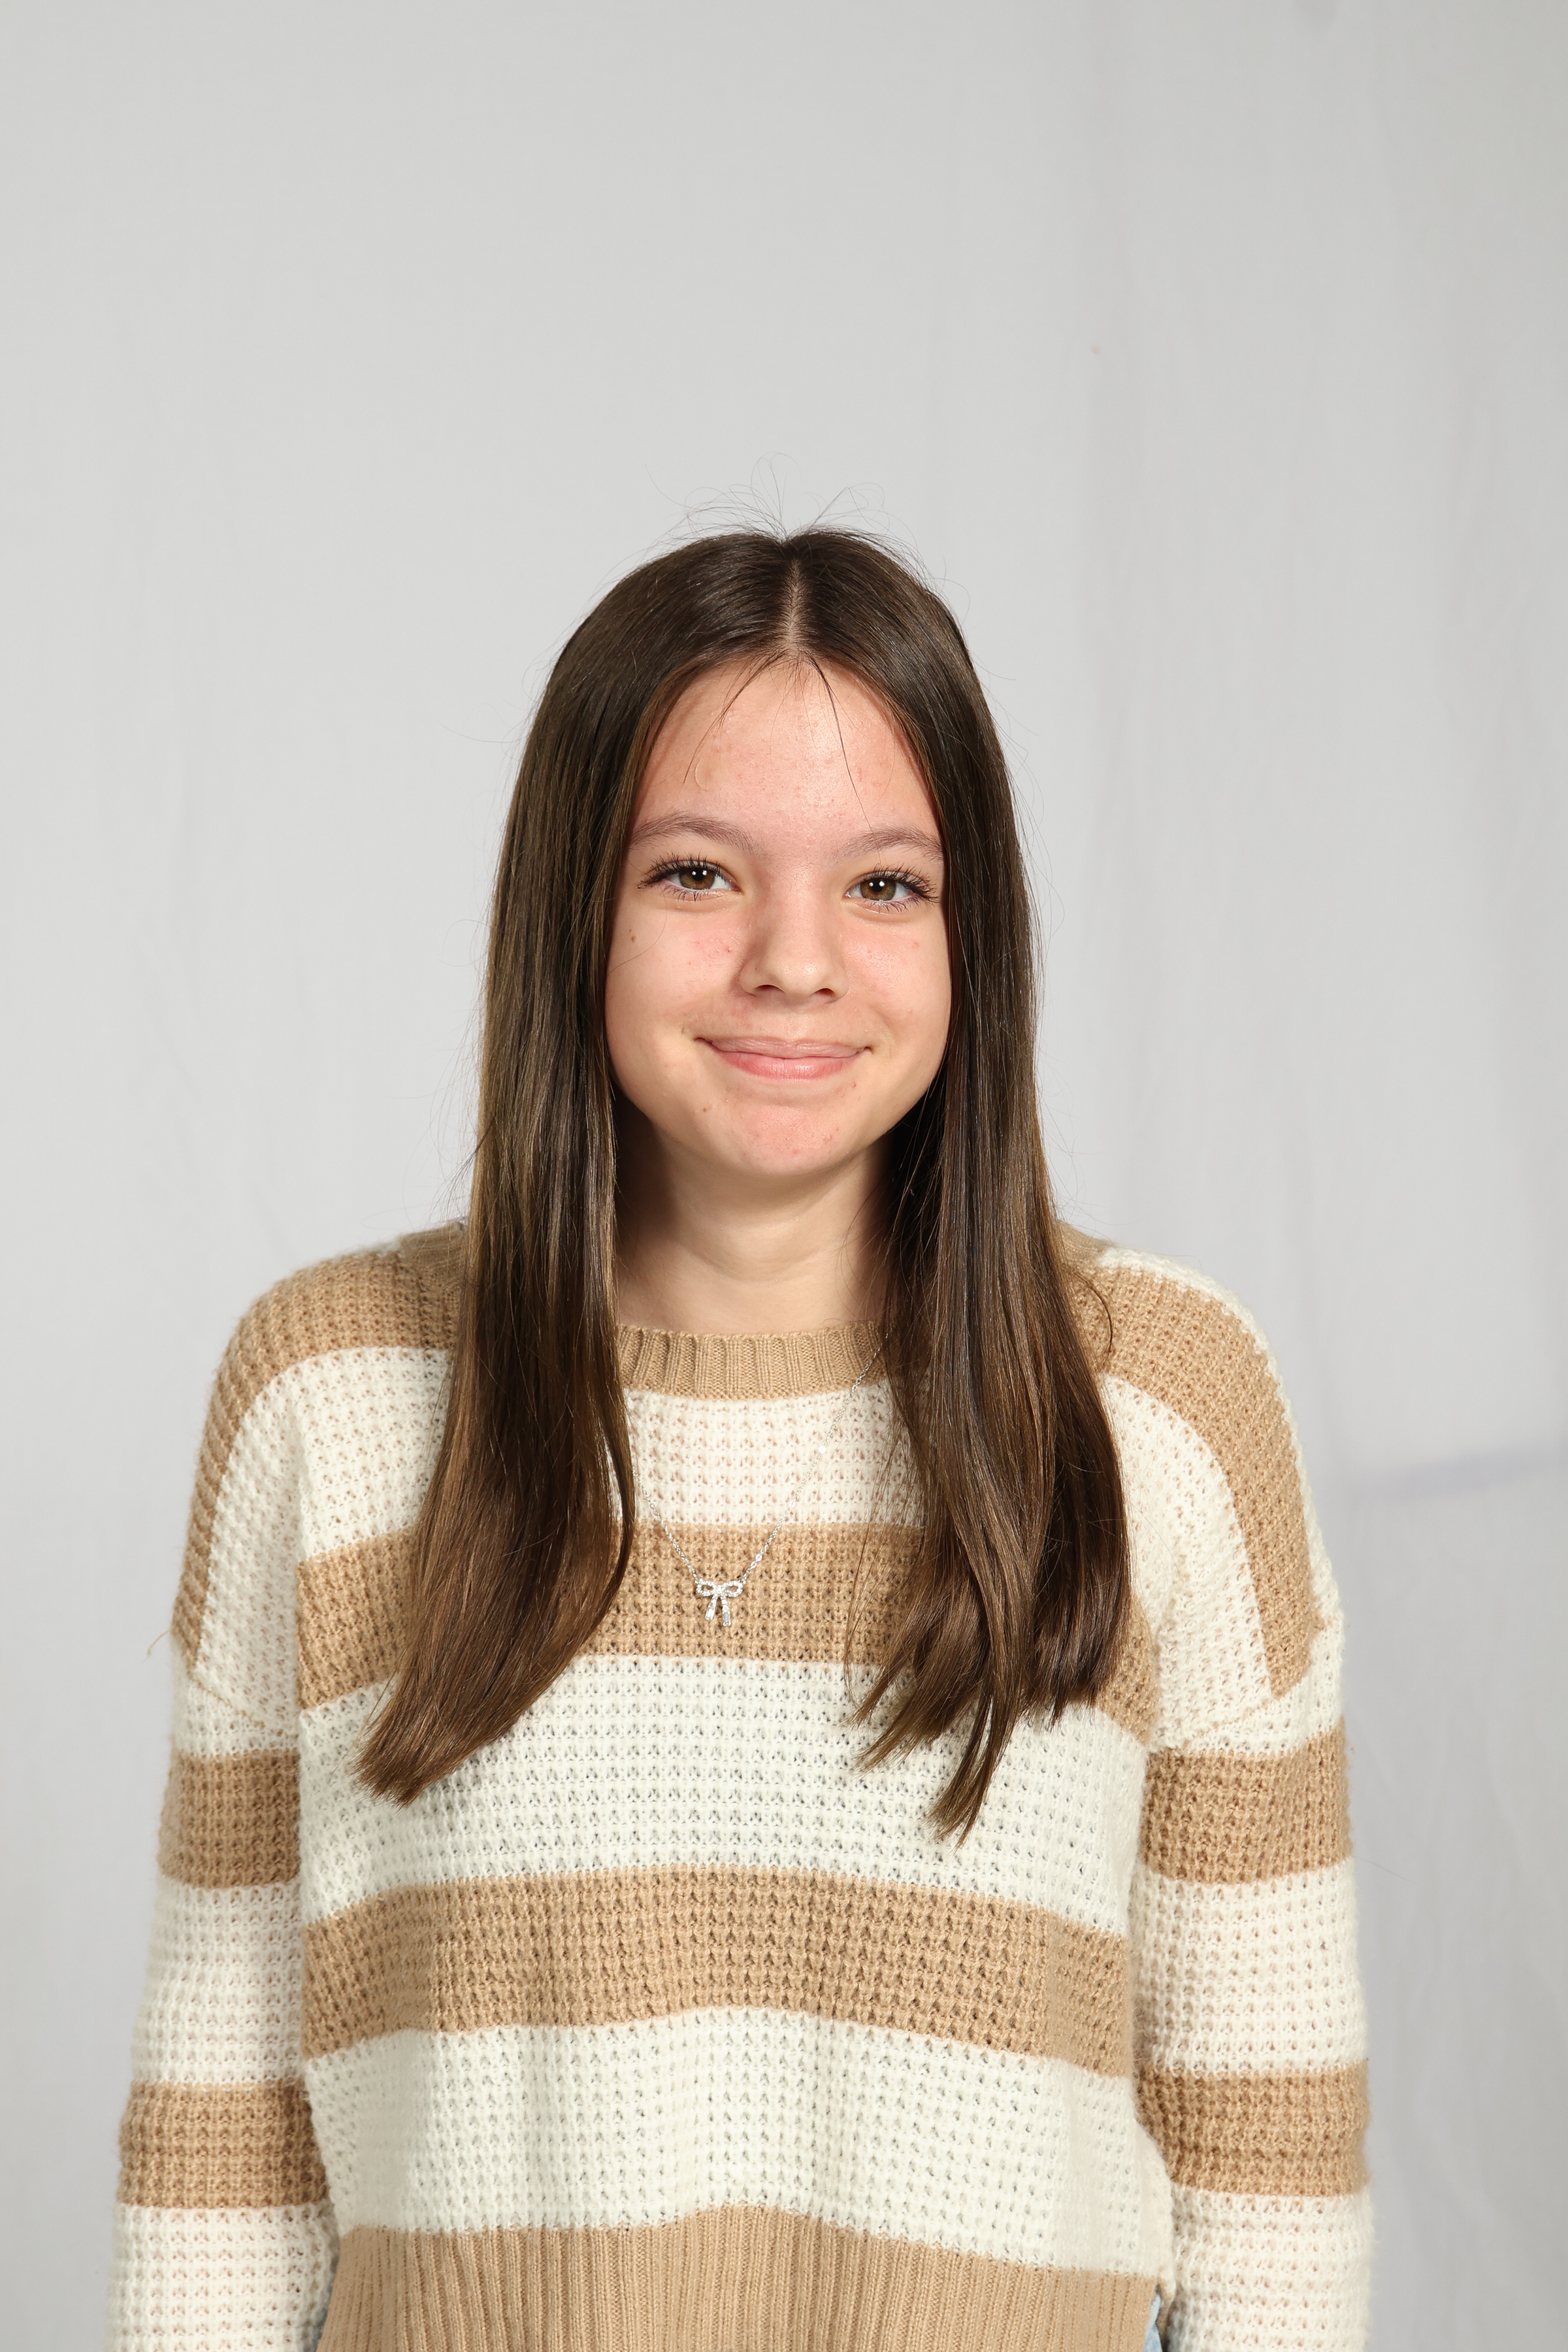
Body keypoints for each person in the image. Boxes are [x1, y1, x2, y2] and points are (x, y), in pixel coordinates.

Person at [106, 529, 1371, 2352]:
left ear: (974, 938)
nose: (794, 961)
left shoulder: (1160, 1405)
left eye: (885, 885)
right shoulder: (334, 1394)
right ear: (576, 911)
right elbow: (225, 2150)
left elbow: (1267, 2165)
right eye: (697, 872)